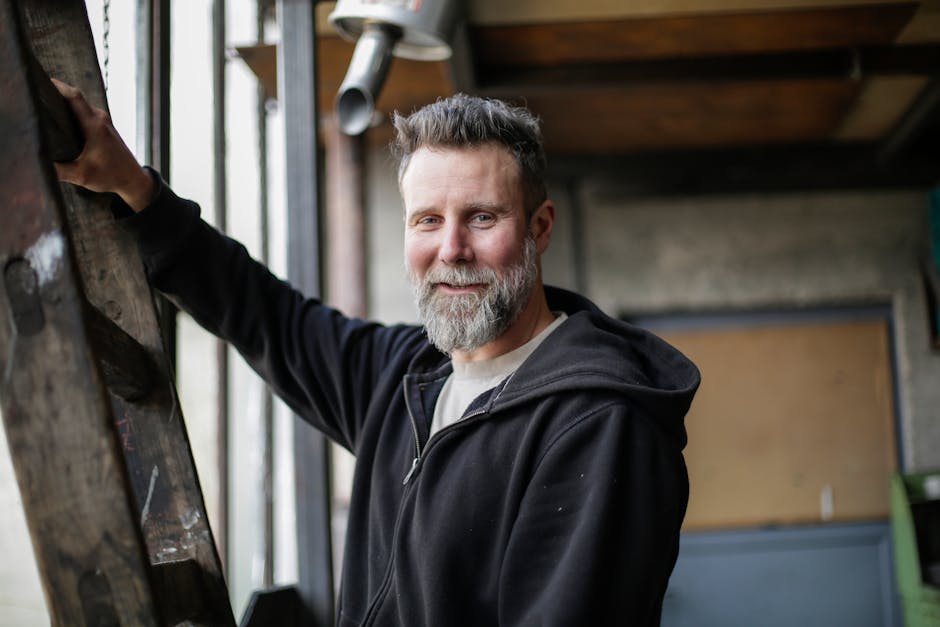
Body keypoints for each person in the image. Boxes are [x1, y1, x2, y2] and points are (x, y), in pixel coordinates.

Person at [55, 80, 700, 626]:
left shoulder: (601, 425)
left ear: (539, 228)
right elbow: (266, 316)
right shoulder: (407, 377)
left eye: (481, 217)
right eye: (427, 220)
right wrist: (134, 190)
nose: (451, 249)